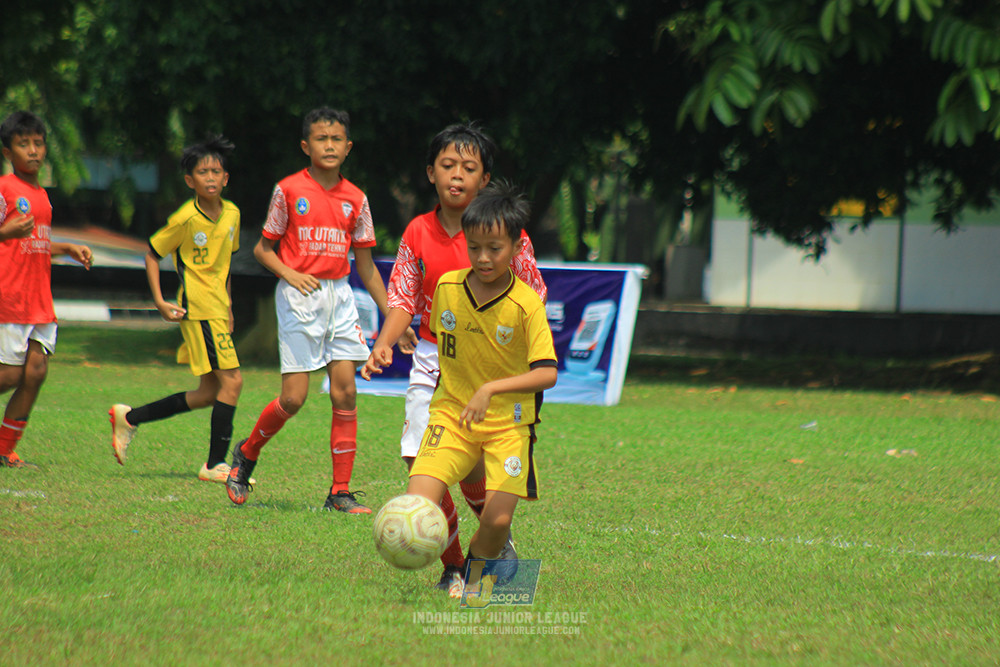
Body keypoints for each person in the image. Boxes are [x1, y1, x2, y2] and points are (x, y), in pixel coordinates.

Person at [361, 122, 547, 597]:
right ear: (431, 173)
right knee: (417, 461)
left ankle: (492, 543)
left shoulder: (512, 235)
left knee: (477, 479)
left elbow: (533, 299)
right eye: (448, 165)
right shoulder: (418, 231)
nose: (457, 176)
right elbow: (403, 295)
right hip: (434, 360)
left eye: (469, 167)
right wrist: (385, 342)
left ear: (485, 179)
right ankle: (453, 565)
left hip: (496, 372)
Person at [226, 106, 412, 512]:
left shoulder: (357, 199)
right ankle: (246, 452)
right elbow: (262, 249)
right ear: (305, 145)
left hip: (340, 297)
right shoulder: (289, 190)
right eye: (320, 139)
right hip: (299, 298)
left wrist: (395, 320)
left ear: (348, 147)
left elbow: (367, 267)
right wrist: (289, 274)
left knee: (346, 392)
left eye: (336, 139)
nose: (329, 145)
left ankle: (339, 493)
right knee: (293, 399)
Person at [403, 181, 557, 590]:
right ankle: (447, 568)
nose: (484, 258)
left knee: (499, 519)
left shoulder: (526, 305)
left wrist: (490, 389)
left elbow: (548, 373)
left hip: (509, 423)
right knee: (417, 504)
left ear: (516, 247)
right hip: (452, 415)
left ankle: (474, 572)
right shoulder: (448, 289)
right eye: (474, 248)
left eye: (495, 248)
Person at [108, 135, 247, 483]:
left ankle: (130, 417)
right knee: (233, 381)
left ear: (226, 178)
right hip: (197, 310)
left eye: (217, 171)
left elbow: (224, 265)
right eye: (203, 172)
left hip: (218, 310)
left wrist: (229, 307)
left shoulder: (233, 214)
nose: (211, 177)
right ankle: (216, 464)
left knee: (208, 394)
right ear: (190, 181)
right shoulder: (185, 218)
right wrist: (159, 301)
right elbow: (152, 254)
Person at [0, 110, 93, 468]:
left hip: (39, 299)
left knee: (36, 373)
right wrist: (5, 233)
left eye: (38, 143)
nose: (33, 151)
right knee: (9, 374)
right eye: (24, 145)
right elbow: (10, 237)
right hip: (11, 297)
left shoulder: (40, 194)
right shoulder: (5, 189)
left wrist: (67, 248)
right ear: (8, 152)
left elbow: (35, 242)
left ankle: (5, 447)